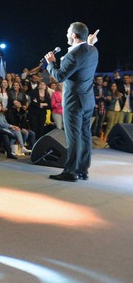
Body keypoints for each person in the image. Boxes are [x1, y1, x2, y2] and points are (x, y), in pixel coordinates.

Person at [45, 23, 99, 181]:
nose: (66, 35)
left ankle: (70, 172)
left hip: (73, 101)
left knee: (73, 136)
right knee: (84, 135)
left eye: (68, 32)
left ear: (74, 36)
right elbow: (84, 51)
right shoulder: (93, 50)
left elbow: (60, 76)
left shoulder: (73, 55)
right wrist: (90, 43)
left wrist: (50, 63)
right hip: (88, 100)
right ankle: (82, 170)